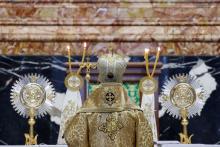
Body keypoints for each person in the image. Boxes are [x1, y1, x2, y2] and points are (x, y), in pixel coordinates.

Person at [64, 53, 153, 147]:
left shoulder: (85, 113)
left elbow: (74, 138)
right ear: (121, 75)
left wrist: (68, 122)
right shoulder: (136, 113)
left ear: (101, 75)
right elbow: (146, 141)